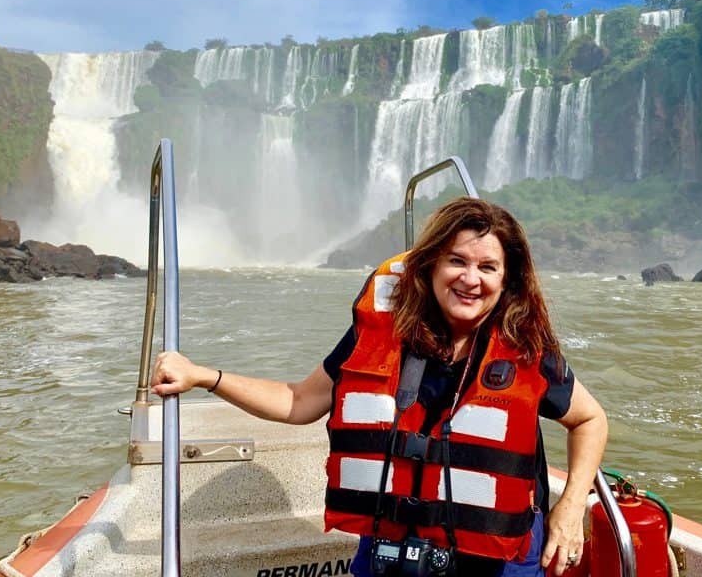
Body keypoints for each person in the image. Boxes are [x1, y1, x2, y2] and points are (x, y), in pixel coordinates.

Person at [152, 196, 608, 577]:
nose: (471, 279)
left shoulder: (526, 349)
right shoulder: (381, 336)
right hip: (393, 545)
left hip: (496, 558)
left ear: (506, 281)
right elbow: (299, 401)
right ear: (430, 267)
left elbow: (589, 419)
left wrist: (569, 510)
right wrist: (204, 377)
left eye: (488, 267)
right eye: (457, 261)